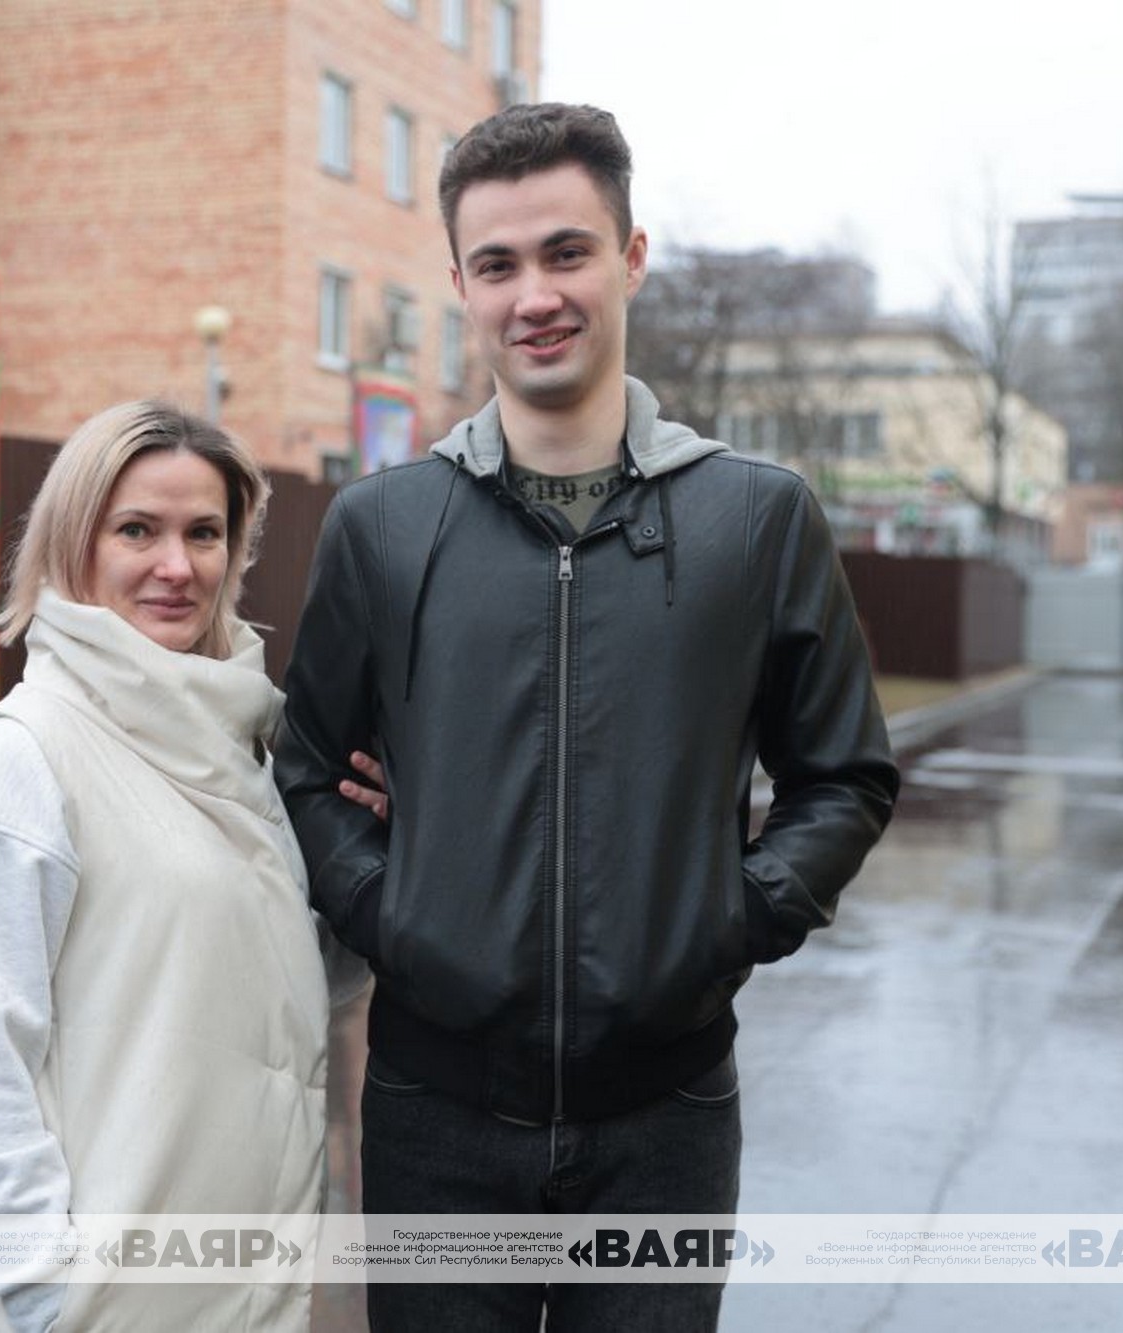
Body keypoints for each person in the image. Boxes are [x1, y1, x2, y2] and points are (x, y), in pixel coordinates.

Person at [274, 103, 902, 1331]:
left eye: (565, 252)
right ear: (458, 281)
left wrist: (734, 920)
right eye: (497, 265)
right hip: (431, 1117)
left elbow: (843, 775)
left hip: (664, 1120)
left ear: (630, 256)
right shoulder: (383, 527)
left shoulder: (753, 519)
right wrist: (388, 912)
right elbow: (304, 768)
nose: (533, 295)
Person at [0, 402, 333, 1331]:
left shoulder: (234, 747)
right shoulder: (18, 761)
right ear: (72, 546)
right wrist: (44, 1295)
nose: (178, 566)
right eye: (138, 529)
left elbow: (256, 987)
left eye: (204, 533)